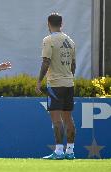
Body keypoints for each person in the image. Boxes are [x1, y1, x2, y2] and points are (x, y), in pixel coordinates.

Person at [36, 13, 76, 160]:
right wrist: (69, 78)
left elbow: (46, 62)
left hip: (55, 84)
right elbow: (73, 65)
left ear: (48, 24)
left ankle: (59, 151)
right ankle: (70, 151)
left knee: (56, 119)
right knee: (68, 118)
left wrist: (39, 81)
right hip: (69, 83)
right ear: (61, 24)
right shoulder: (70, 41)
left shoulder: (49, 40)